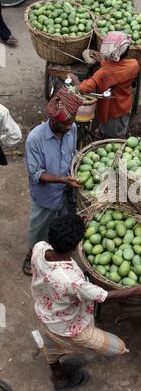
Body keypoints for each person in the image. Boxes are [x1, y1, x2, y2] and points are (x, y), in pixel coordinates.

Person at [31, 214, 141, 391]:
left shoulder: (40, 248)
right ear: (76, 245)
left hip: (44, 313)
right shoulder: (71, 280)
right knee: (116, 347)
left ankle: (58, 374)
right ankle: (62, 377)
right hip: (69, 326)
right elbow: (105, 296)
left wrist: (76, 225)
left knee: (51, 346)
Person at [23, 88, 83, 277]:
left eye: (72, 121)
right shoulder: (35, 139)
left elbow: (72, 153)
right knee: (38, 227)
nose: (69, 126)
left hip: (66, 191)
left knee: (61, 225)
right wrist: (61, 179)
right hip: (45, 195)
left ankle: (56, 254)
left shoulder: (72, 128)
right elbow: (36, 173)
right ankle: (32, 253)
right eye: (66, 122)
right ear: (53, 120)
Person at [70, 32, 139, 139]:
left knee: (112, 138)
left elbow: (83, 88)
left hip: (112, 110)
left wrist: (74, 79)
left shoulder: (104, 73)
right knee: (120, 128)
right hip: (124, 105)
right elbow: (117, 67)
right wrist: (102, 61)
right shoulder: (134, 64)